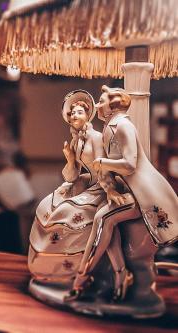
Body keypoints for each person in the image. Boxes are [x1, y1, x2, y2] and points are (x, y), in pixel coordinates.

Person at [68, 85, 178, 301]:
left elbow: (129, 164)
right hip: (130, 189)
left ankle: (83, 275)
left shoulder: (123, 126)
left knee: (103, 218)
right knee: (107, 224)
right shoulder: (111, 126)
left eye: (101, 101)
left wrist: (102, 163)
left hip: (142, 193)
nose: (97, 105)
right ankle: (119, 274)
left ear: (113, 105)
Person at [29, 90, 126, 286]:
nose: (74, 116)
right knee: (47, 204)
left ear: (88, 115)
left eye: (79, 112)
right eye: (72, 113)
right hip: (85, 181)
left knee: (69, 211)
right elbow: (71, 176)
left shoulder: (97, 138)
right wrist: (71, 159)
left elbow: (102, 168)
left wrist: (110, 190)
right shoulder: (75, 141)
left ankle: (74, 267)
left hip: (100, 184)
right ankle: (47, 265)